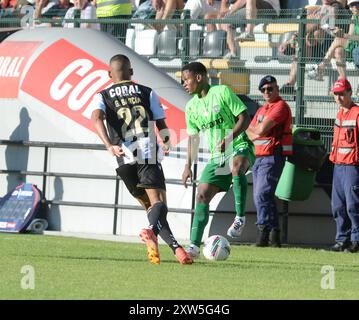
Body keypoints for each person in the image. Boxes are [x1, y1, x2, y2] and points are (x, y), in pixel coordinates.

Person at [90, 54, 193, 265]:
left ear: (110, 74)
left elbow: (96, 118)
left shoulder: (102, 95)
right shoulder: (147, 92)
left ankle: (177, 249)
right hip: (146, 152)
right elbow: (161, 125)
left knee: (150, 208)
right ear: (131, 72)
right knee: (160, 204)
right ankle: (150, 231)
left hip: (123, 159)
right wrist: (165, 141)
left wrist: (109, 145)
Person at [181, 61, 255, 259]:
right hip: (217, 156)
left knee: (237, 167)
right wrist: (187, 165)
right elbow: (193, 138)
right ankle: (194, 247)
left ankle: (239, 219)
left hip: (238, 144)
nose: (184, 84)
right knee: (202, 194)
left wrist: (229, 137)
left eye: (186, 79)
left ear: (199, 77)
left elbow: (244, 117)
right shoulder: (191, 107)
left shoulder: (222, 92)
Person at [246, 75, 292, 247]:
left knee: (262, 194)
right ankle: (273, 235)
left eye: (270, 88)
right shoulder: (262, 109)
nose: (267, 92)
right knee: (261, 196)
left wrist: (256, 131)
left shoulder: (280, 107)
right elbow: (250, 132)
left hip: (272, 156)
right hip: (259, 157)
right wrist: (256, 132)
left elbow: (261, 129)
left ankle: (264, 231)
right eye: (264, 90)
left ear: (277, 89)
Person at [329, 78, 359, 253]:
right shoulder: (340, 113)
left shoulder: (356, 113)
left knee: (353, 205)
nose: (339, 97)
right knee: (338, 206)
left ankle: (356, 239)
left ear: (350, 93)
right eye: (336, 94)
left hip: (352, 166)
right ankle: (342, 240)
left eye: (342, 94)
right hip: (339, 165)